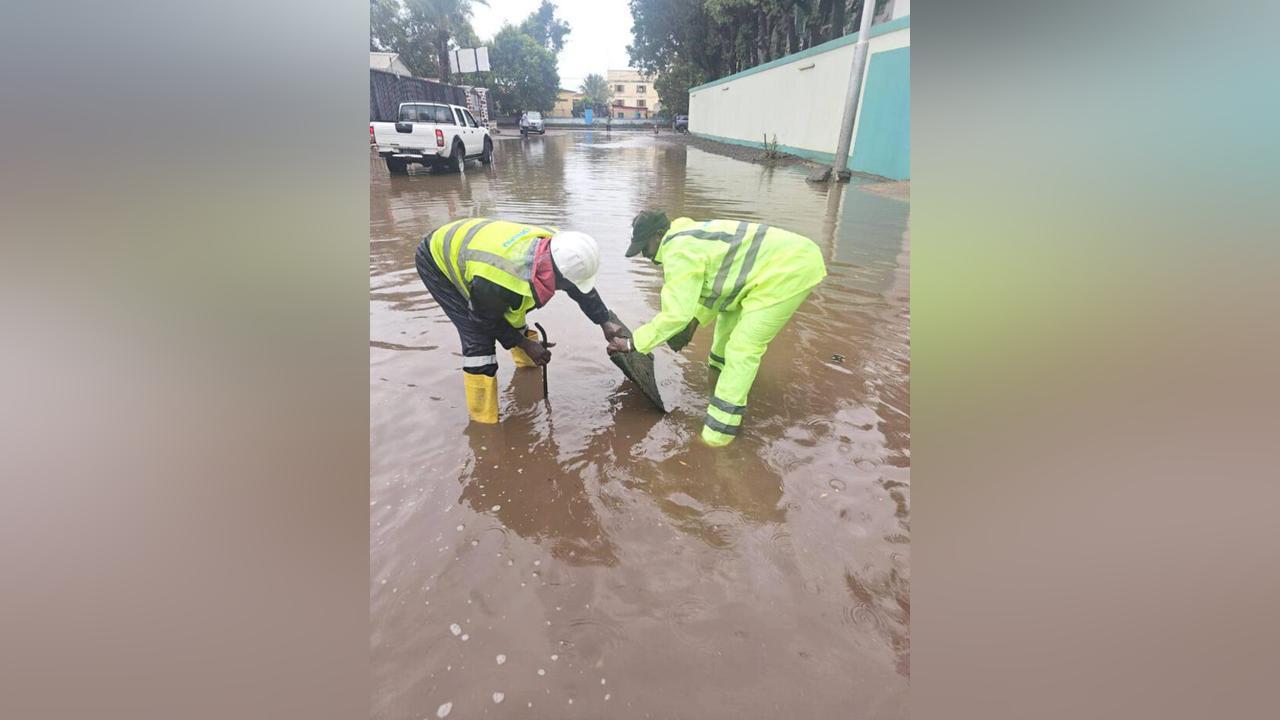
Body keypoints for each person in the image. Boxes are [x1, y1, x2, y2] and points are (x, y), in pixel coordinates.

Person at [608, 211, 827, 446]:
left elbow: (676, 314)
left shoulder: (677, 249)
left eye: (646, 247)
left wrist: (633, 343)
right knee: (723, 334)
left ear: (660, 234)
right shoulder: (687, 236)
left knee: (743, 348)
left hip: (789, 268)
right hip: (770, 269)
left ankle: (717, 437)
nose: (646, 255)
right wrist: (694, 322)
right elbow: (718, 285)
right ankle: (717, 388)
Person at [416, 218, 628, 423]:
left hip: (477, 249)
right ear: (557, 275)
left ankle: (528, 366)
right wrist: (526, 343)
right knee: (478, 340)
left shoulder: (559, 248)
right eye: (568, 284)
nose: (570, 287)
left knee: (511, 303)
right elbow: (483, 319)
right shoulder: (499, 277)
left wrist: (604, 321)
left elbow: (579, 287)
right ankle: (483, 424)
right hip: (437, 258)